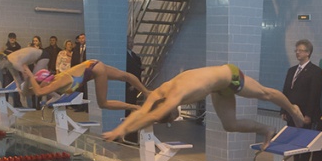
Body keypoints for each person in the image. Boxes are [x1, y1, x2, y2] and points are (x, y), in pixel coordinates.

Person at [102, 64, 306, 148]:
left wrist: (121, 129)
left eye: (173, 116)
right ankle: (267, 129)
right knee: (230, 124)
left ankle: (293, 108)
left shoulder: (176, 95)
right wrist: (119, 129)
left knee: (265, 93)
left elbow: (151, 117)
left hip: (230, 76)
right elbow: (145, 111)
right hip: (219, 89)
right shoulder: (157, 93)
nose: (176, 115)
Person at [24, 58, 150, 112]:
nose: (39, 86)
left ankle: (134, 107)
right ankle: (146, 92)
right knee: (125, 76)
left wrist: (30, 75)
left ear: (46, 80)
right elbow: (27, 92)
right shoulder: (50, 82)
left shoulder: (59, 81)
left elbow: (39, 92)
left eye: (39, 83)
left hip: (94, 70)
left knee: (103, 103)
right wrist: (28, 80)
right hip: (93, 65)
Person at [281, 39, 322, 161]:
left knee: (303, 140)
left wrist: (309, 114)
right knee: (292, 139)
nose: (297, 53)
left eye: (300, 50)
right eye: (296, 50)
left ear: (308, 52)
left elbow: (314, 94)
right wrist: (284, 109)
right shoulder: (292, 70)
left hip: (304, 112)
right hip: (292, 111)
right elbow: (286, 91)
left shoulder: (315, 71)